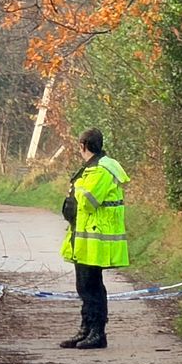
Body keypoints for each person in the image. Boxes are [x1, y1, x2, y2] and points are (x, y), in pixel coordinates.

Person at [59, 128, 129, 350]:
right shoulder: (91, 169)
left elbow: (89, 201)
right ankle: (86, 329)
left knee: (92, 286)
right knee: (84, 285)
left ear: (83, 145)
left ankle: (97, 333)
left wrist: (77, 187)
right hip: (84, 236)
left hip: (95, 238)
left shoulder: (102, 170)